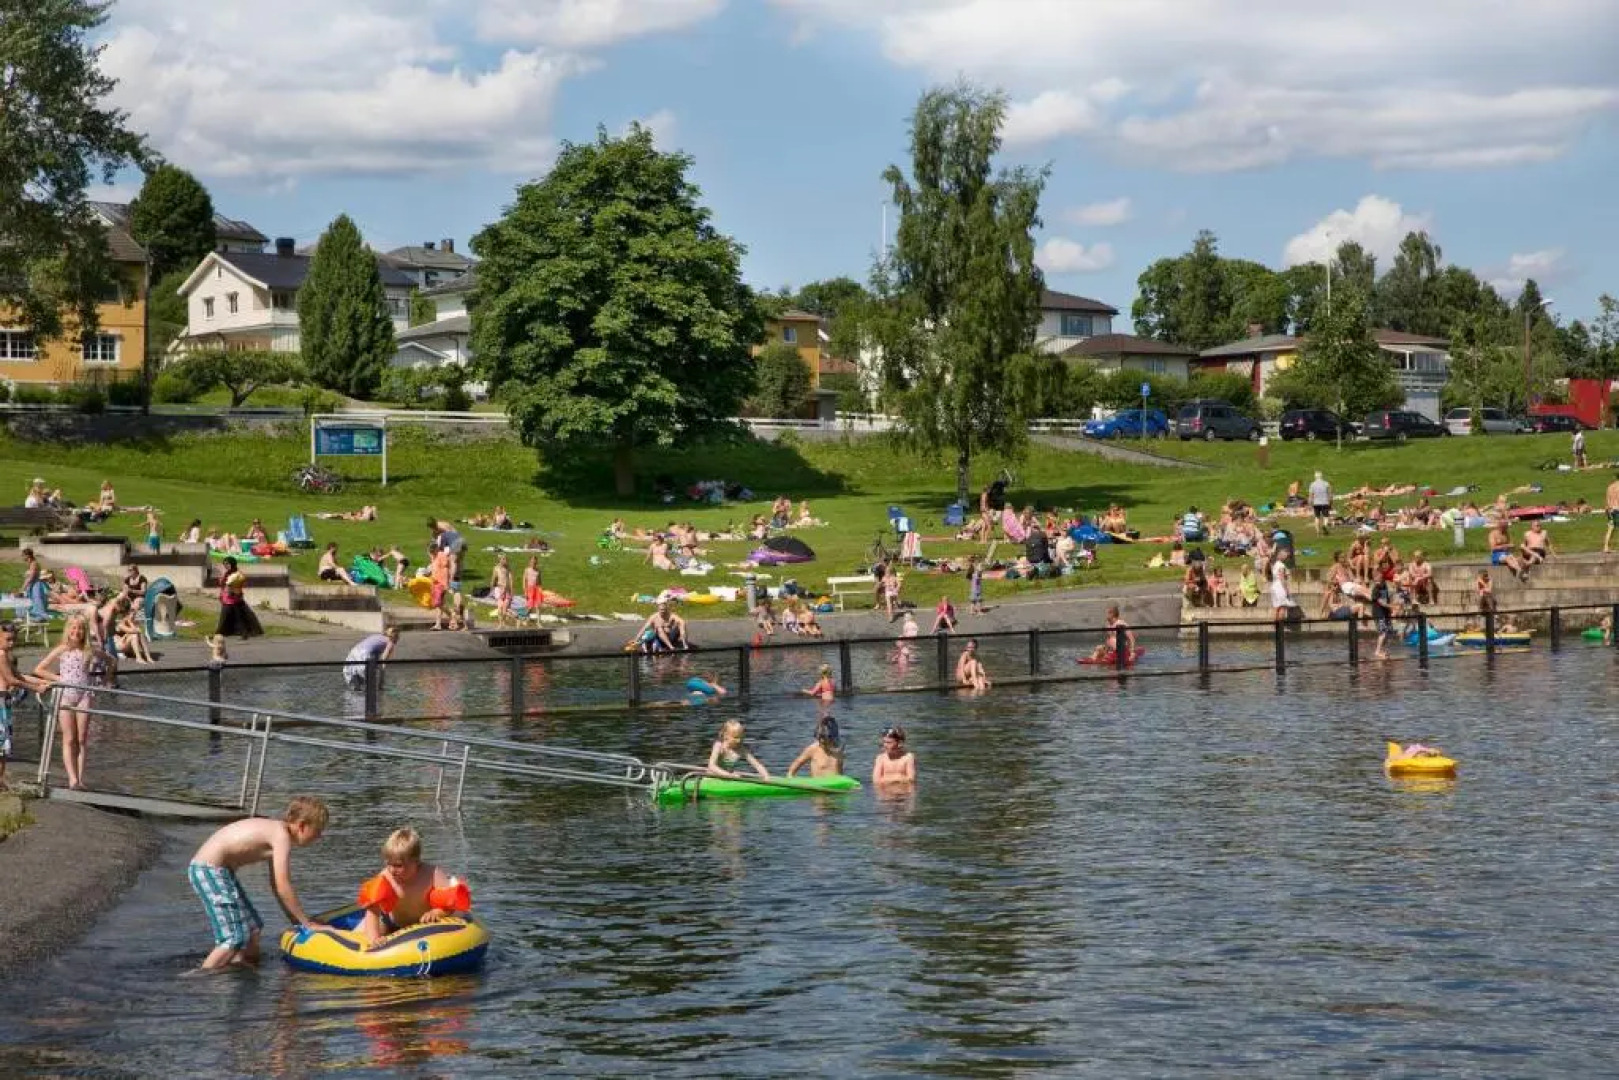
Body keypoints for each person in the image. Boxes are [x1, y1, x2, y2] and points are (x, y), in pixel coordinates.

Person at [187, 796, 330, 971]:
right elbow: (283, 885)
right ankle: (199, 978)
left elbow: (276, 885)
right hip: (208, 870)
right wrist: (306, 923)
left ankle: (242, 967)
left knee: (253, 929)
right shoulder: (281, 836)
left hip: (221, 871)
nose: (319, 837)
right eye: (317, 831)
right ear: (301, 825)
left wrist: (296, 921)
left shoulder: (277, 833)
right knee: (233, 937)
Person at [355, 827, 470, 949]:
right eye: (388, 863)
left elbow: (450, 902)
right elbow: (373, 911)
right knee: (361, 935)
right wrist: (375, 939)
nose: (392, 870)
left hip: (426, 924)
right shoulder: (386, 877)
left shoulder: (431, 874)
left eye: (398, 865)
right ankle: (333, 931)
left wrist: (437, 912)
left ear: (416, 861)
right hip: (391, 922)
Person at [33, 615, 96, 791]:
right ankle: (72, 779)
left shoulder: (88, 651)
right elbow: (39, 669)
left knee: (81, 738)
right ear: (68, 630)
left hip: (84, 694)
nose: (76, 632)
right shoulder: (62, 649)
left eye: (80, 628)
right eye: (73, 628)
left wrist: (105, 680)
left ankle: (81, 779)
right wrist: (58, 678)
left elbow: (111, 661)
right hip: (65, 695)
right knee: (69, 738)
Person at [0, 623, 48, 790]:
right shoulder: (0, 655)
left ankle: (1, 779)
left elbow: (20, 676)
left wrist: (45, 682)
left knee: (5, 741)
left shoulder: (6, 655)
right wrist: (36, 688)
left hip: (4, 701)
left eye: (14, 640)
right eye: (8, 640)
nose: (11, 643)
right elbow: (11, 680)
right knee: (2, 742)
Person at [215, 557, 264, 640]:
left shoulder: (238, 574)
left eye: (228, 564)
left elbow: (238, 585)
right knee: (225, 618)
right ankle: (219, 634)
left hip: (234, 599)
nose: (226, 565)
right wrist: (221, 594)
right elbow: (224, 586)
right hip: (227, 599)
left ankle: (244, 633)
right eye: (225, 564)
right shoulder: (227, 573)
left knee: (239, 618)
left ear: (232, 564)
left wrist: (233, 591)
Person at [1369, 570, 1396, 660]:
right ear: (1375, 578)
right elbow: (1381, 602)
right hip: (1378, 613)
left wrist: (1390, 610)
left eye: (1381, 577)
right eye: (1378, 577)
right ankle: (1377, 651)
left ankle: (1382, 650)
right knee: (1383, 632)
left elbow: (1387, 599)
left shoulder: (1384, 585)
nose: (1381, 579)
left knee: (1389, 633)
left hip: (1385, 613)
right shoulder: (1375, 589)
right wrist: (1392, 607)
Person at [1269, 552, 1297, 624]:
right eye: (1286, 557)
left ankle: (1275, 627)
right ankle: (1280, 626)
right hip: (1280, 587)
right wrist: (1286, 589)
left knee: (1276, 607)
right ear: (1283, 557)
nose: (1286, 558)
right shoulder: (1281, 565)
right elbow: (1282, 578)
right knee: (1282, 607)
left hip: (1274, 586)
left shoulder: (1275, 564)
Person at [1308, 471, 1333, 536]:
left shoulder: (1312, 484)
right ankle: (1324, 525)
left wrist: (1310, 503)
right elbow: (1330, 494)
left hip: (1316, 503)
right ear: (1321, 476)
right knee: (1326, 516)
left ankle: (1318, 532)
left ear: (1315, 477)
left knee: (1317, 517)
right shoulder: (1326, 483)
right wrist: (1330, 502)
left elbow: (1310, 495)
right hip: (1325, 502)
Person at [1605, 473, 1619, 554]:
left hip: (1610, 510)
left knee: (1610, 528)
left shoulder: (1610, 487)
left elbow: (1607, 499)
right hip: (1617, 509)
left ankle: (1606, 547)